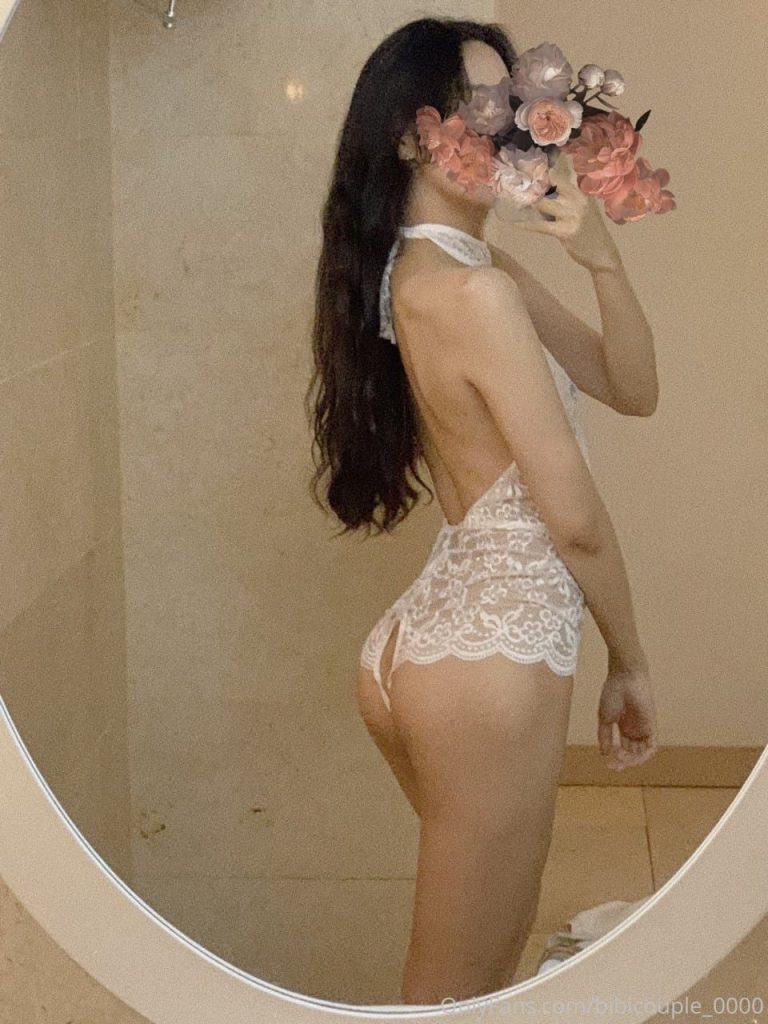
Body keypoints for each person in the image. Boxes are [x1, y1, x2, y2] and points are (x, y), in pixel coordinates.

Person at [306, 16, 659, 1005]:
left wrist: (602, 260)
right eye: (474, 107)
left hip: (439, 640)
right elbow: (572, 518)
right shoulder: (473, 294)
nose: (502, 128)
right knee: (453, 995)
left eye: (510, 106)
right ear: (410, 135)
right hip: (489, 661)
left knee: (476, 984)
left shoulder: (448, 273)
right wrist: (630, 658)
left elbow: (633, 388)